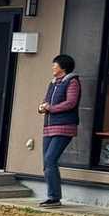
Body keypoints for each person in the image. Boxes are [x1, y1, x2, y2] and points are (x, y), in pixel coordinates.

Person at [35, 54, 79, 208]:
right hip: (49, 127)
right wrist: (42, 107)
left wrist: (51, 108)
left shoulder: (72, 82)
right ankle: (52, 196)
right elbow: (46, 101)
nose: (53, 67)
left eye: (55, 65)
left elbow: (71, 103)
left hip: (64, 126)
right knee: (47, 162)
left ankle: (54, 197)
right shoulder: (53, 83)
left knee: (50, 159)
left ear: (63, 67)